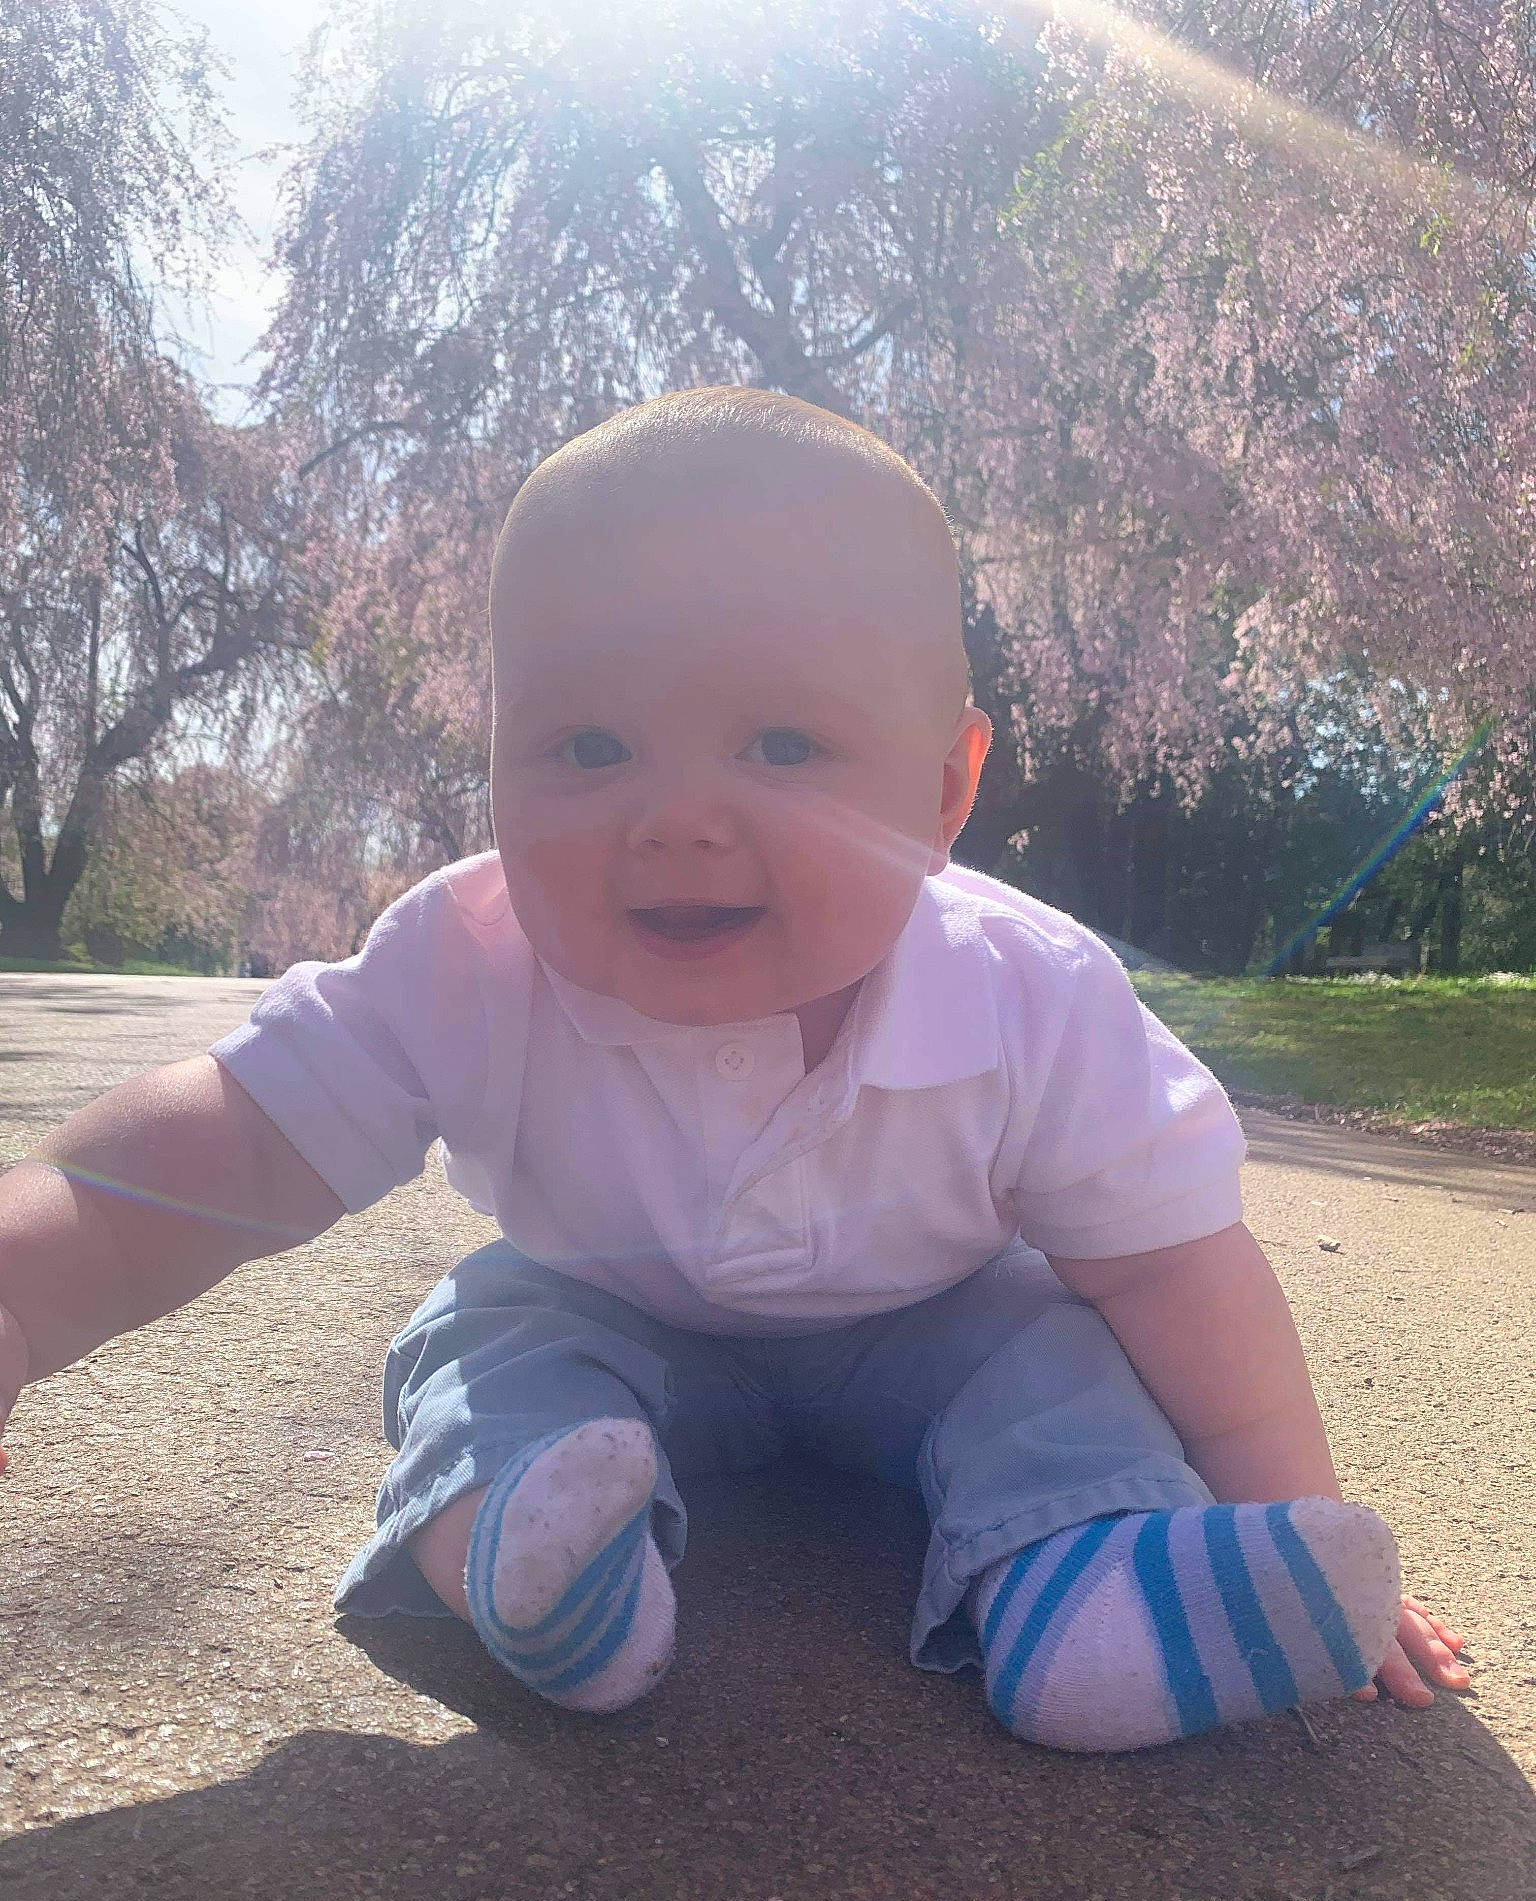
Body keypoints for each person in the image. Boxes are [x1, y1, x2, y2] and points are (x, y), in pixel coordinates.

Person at [0, 389, 1469, 1749]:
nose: (678, 817)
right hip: (605, 1313)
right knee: (477, 1344)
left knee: (1064, 1360)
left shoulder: (1033, 996)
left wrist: (1295, 1509)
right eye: (587, 744)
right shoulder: (466, 962)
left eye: (780, 742)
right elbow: (222, 1153)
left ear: (944, 790)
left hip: (936, 1325)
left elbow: (1177, 1273)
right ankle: (530, 1550)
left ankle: (1100, 1594)